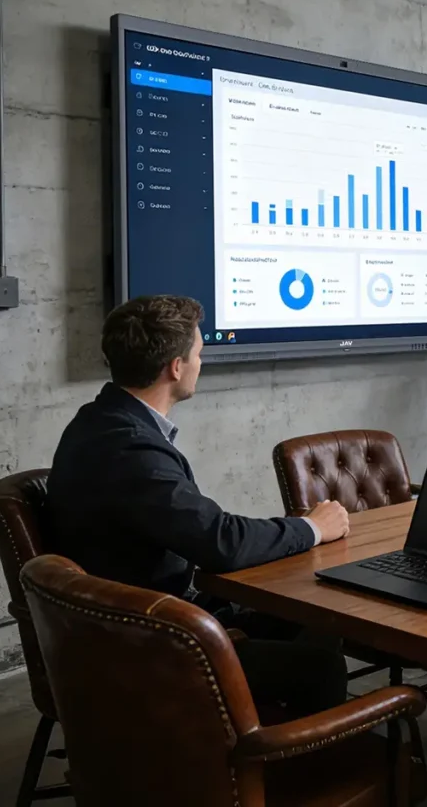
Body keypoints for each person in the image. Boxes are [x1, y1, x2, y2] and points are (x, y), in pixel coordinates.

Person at [47, 294, 351, 718]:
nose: (200, 364)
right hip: (155, 640)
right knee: (321, 668)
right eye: (199, 354)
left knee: (318, 618)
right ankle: (274, 754)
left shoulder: (99, 420)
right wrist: (313, 528)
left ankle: (265, 732)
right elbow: (220, 542)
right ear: (176, 367)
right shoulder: (130, 448)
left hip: (130, 620)